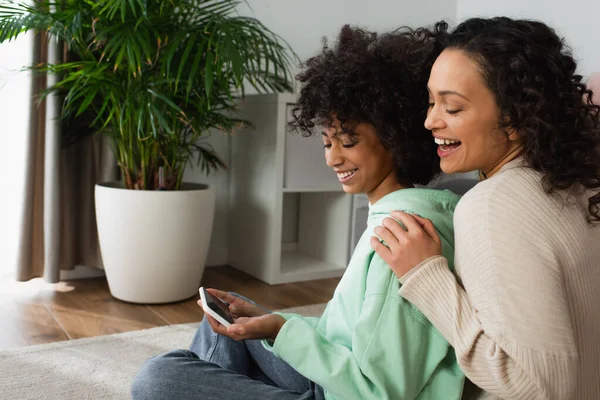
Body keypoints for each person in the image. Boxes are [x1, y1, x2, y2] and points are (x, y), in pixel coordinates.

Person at [131, 25, 466, 400]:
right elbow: (348, 337)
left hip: (347, 394)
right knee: (224, 324)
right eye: (327, 142)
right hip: (334, 378)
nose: (333, 158)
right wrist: (274, 323)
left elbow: (376, 391)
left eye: (349, 142)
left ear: (395, 136)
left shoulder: (401, 238)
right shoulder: (396, 215)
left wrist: (281, 330)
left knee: (158, 378)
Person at [371, 17, 600, 400]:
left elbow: (536, 387)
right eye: (431, 102)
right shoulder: (582, 185)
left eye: (453, 107)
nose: (430, 120)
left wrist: (426, 276)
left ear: (513, 117)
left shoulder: (493, 204)